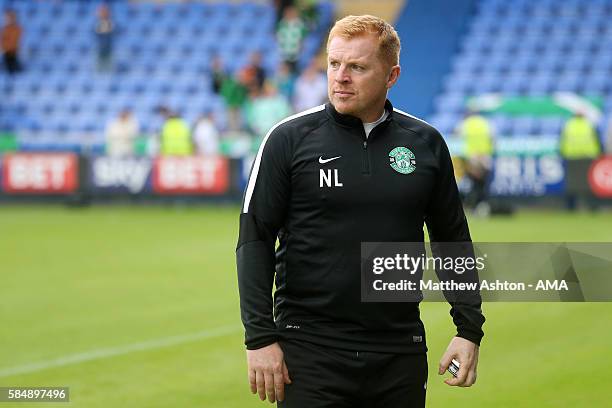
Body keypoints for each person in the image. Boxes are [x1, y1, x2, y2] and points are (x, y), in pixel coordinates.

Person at [236, 15, 485, 407]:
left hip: (399, 354)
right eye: (334, 64)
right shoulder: (288, 140)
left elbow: (452, 240)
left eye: (357, 66)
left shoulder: (425, 144)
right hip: (309, 351)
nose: (341, 77)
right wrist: (260, 337)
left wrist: (468, 329)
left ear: (391, 75)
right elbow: (254, 239)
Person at [457, 109, 494, 214]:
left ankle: (473, 205)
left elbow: (457, 135)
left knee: (473, 182)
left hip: (472, 156)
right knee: (483, 182)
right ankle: (482, 205)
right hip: (485, 156)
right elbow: (493, 138)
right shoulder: (485, 123)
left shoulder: (466, 123)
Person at [1, 9, 22, 74]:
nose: (7, 20)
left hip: (13, 52)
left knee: (13, 68)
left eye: (9, 18)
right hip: (6, 52)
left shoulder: (17, 29)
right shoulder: (4, 29)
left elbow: (14, 42)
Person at [95, 4, 114, 71]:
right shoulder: (97, 24)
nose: (102, 14)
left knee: (109, 67)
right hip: (99, 49)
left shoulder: (111, 23)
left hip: (109, 50)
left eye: (104, 12)